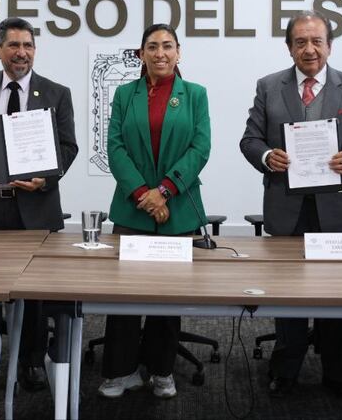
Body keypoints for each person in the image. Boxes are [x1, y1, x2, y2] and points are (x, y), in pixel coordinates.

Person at [240, 11, 342, 400]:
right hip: (287, 210)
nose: (309, 49)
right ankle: (285, 369)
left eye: (316, 41)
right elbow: (250, 140)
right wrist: (267, 155)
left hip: (337, 211)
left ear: (329, 46)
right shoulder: (269, 87)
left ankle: (338, 372)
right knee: (286, 297)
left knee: (338, 295)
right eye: (300, 42)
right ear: (289, 47)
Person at [0, 17, 78, 392]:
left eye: (28, 46)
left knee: (36, 291)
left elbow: (68, 147)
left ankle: (31, 361)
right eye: (13, 45)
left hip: (33, 206)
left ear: (34, 51)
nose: (21, 52)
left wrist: (47, 177)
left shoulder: (56, 92)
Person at [97, 23, 211, 400]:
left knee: (167, 295)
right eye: (152, 46)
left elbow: (200, 148)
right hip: (133, 210)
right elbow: (114, 146)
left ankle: (162, 370)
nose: (160, 53)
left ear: (179, 52)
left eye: (167, 46)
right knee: (124, 295)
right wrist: (143, 194)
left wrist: (164, 191)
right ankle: (119, 371)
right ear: (141, 54)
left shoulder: (195, 94)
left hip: (177, 209)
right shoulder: (124, 94)